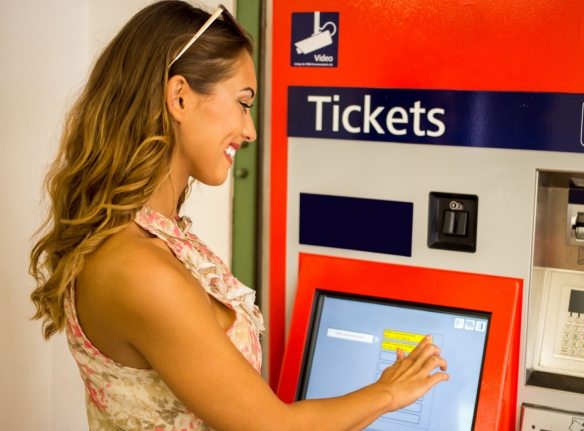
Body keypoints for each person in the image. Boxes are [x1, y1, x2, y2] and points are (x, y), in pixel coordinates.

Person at [29, 2, 448, 430]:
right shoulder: (140, 270)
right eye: (243, 103)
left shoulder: (157, 239)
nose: (250, 131)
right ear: (179, 97)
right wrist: (389, 392)